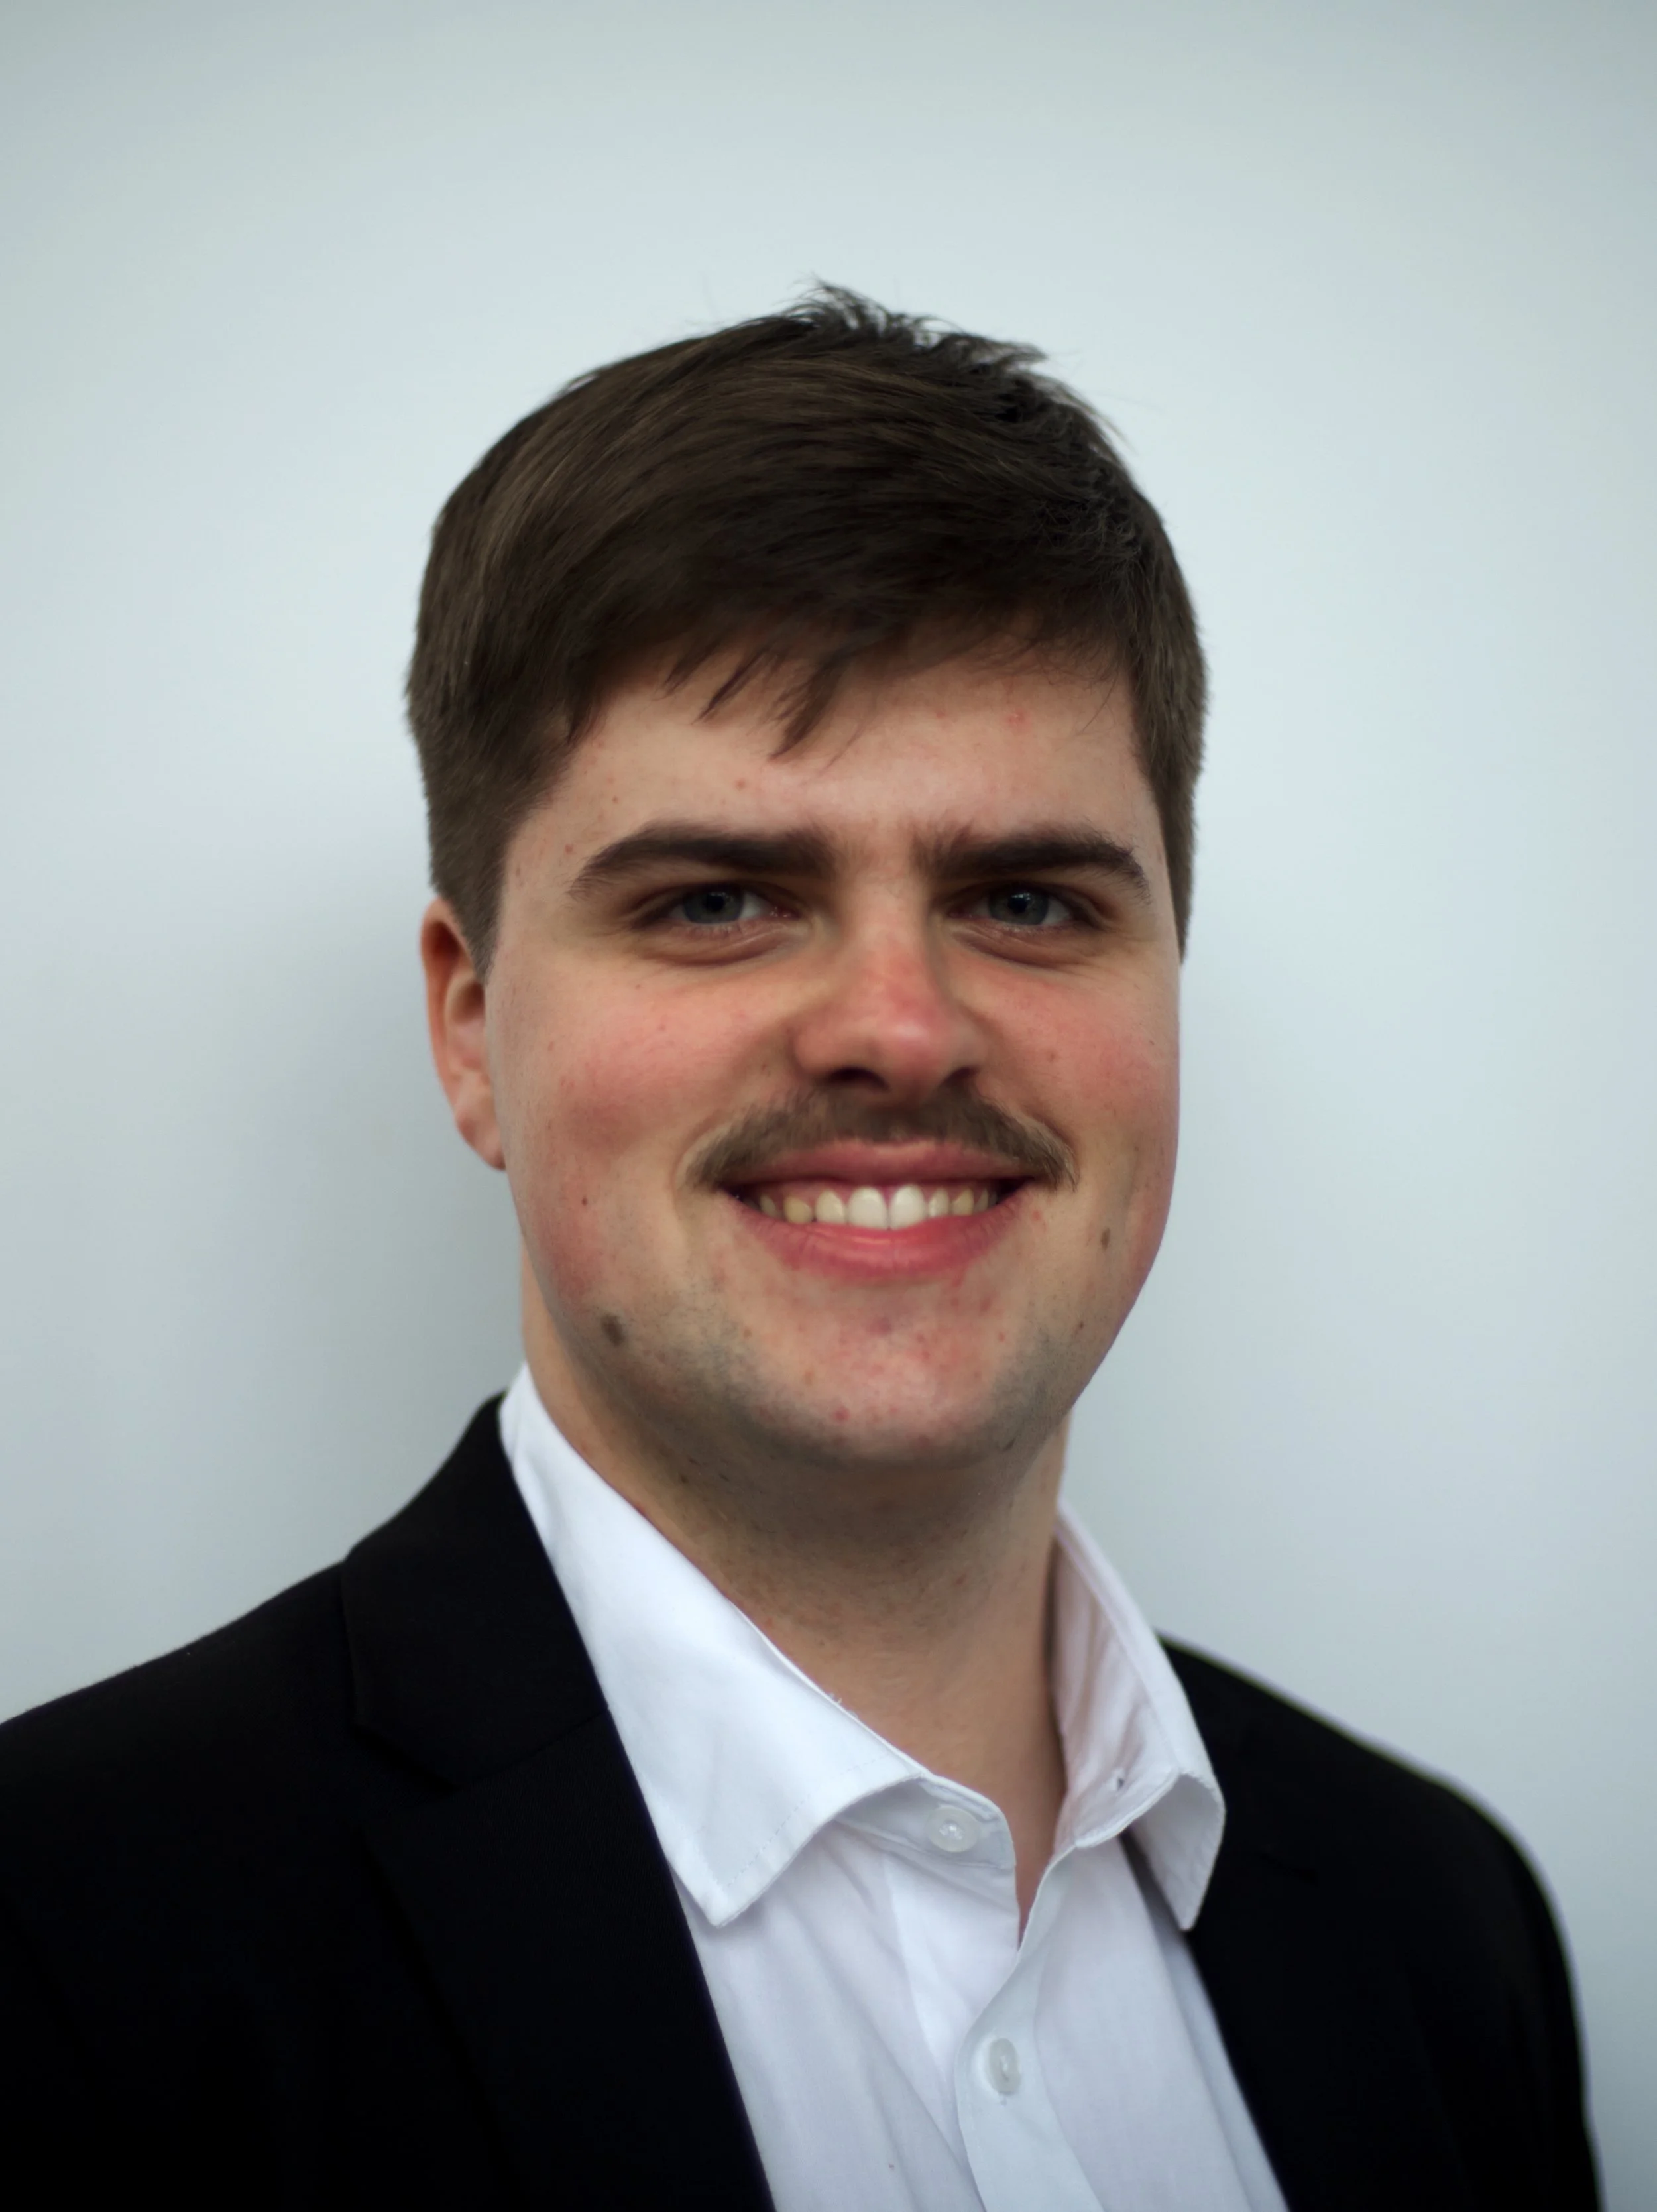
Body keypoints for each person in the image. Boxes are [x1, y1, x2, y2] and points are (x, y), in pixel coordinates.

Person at [0, 292, 1597, 2211]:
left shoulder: (1439, 1923)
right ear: (465, 1027)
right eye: (718, 901)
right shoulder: (56, 1940)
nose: (897, 1029)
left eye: (1022, 897)